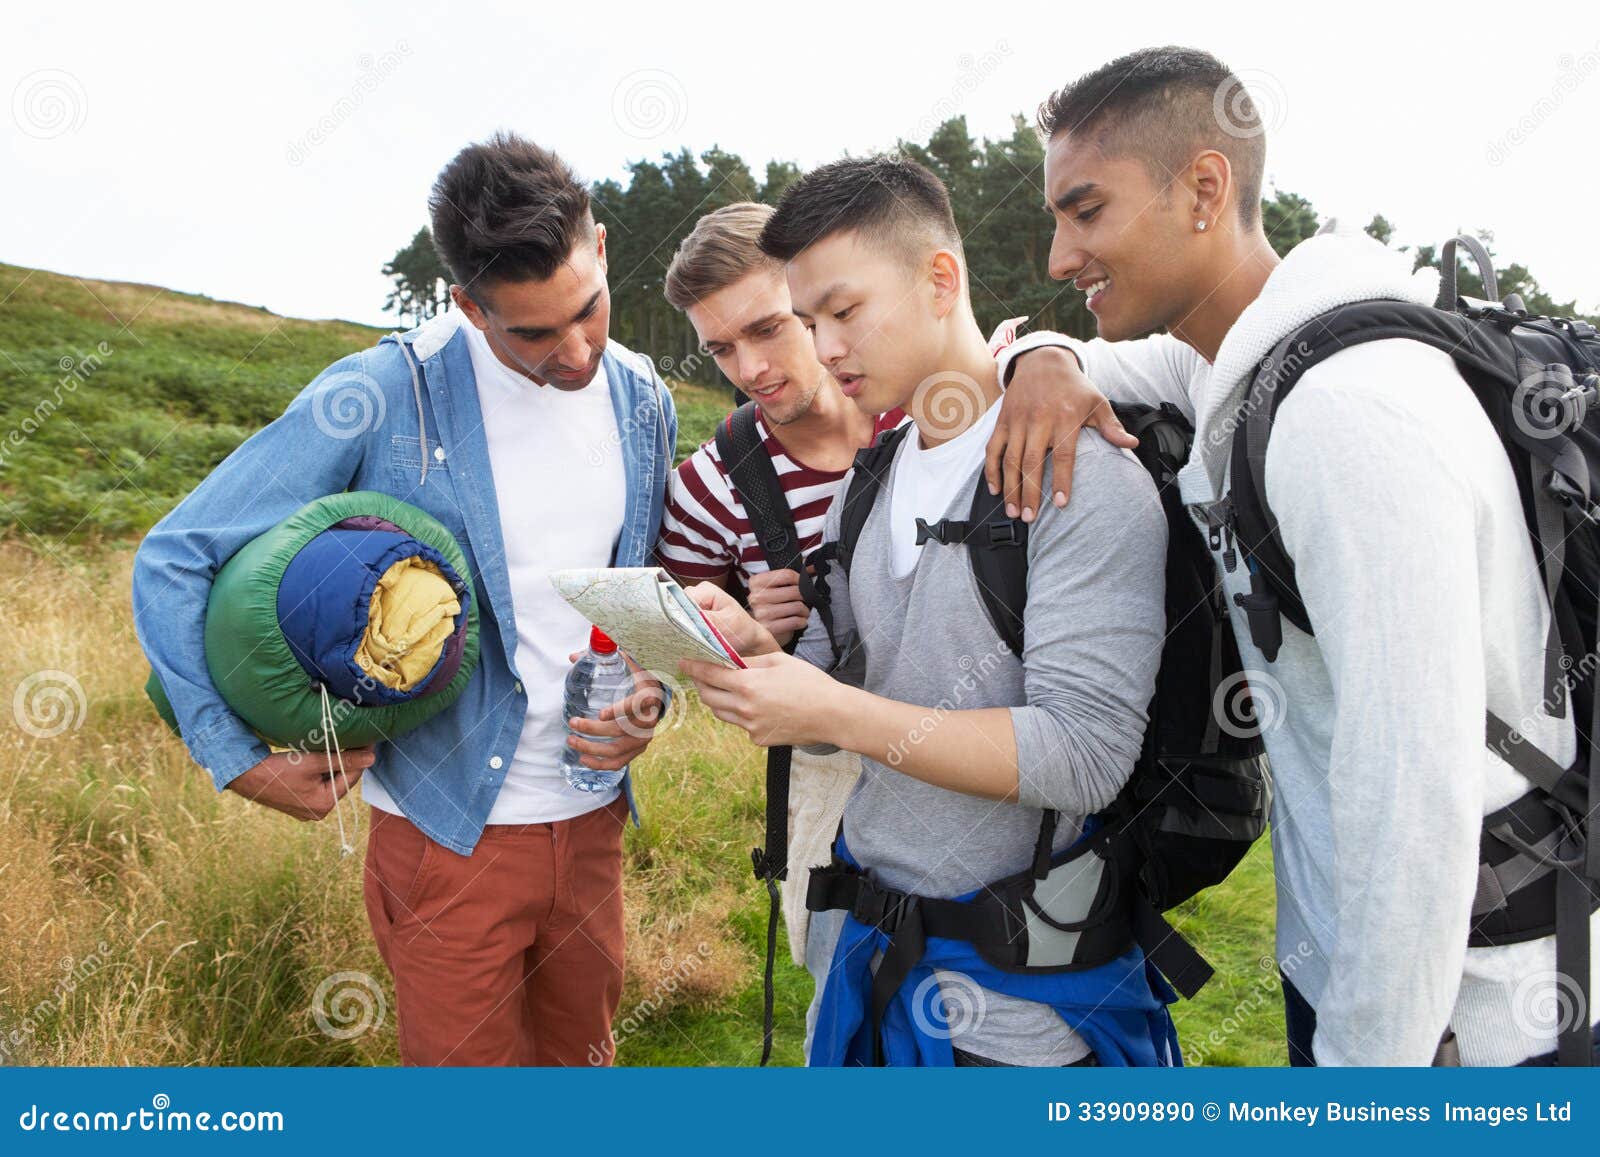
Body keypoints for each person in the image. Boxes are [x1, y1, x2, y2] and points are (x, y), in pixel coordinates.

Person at [994, 45, 1600, 1065]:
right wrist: (1039, 356)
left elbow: (1415, 799)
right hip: (1368, 979)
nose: (1058, 255)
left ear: (1203, 188)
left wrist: (1365, 1075)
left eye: (1085, 211)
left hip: (1476, 1015)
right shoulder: (1245, 362)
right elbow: (1103, 357)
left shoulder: (1345, 415)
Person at [133, 132, 674, 1066]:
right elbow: (175, 555)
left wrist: (651, 695)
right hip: (447, 836)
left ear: (602, 247)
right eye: (535, 334)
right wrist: (234, 757)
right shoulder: (382, 392)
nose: (578, 350)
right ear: (467, 303)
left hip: (592, 823)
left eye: (589, 309)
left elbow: (640, 594)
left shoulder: (641, 396)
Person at [680, 156, 1178, 1066]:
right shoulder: (866, 483)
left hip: (1017, 1013)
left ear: (940, 278)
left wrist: (831, 709)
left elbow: (1087, 755)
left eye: (844, 311)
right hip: (863, 969)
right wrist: (764, 651)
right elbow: (842, 707)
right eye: (808, 321)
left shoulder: (1080, 475)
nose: (824, 349)